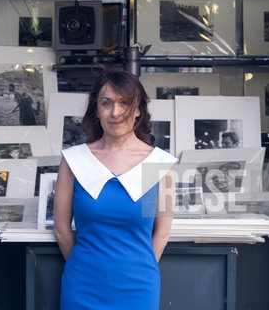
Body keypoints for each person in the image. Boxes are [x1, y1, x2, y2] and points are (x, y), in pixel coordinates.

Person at [54, 67, 178, 309]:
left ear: (139, 109)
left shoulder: (160, 164)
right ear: (96, 110)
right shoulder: (73, 160)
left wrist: (137, 270)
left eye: (125, 102)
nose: (115, 112)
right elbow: (61, 230)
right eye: (106, 103)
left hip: (139, 288)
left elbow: (162, 233)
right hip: (82, 286)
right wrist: (89, 270)